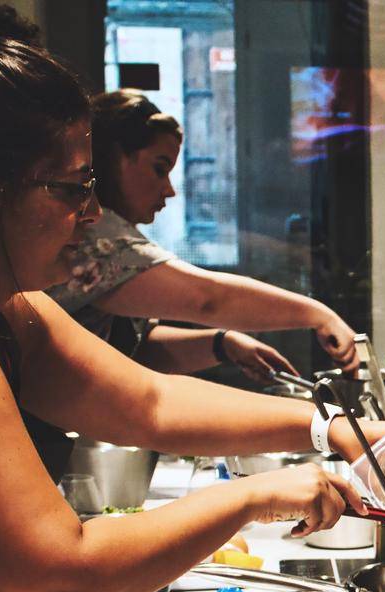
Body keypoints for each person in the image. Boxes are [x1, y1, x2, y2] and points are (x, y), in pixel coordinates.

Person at [0, 21, 385, 592]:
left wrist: (334, 428)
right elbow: (62, 574)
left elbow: (150, 402)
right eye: (71, 188)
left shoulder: (8, 314)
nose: (90, 214)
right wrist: (254, 494)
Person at [47, 89, 359, 382]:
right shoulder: (97, 235)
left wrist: (223, 344)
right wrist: (317, 314)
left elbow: (139, 349)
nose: (169, 190)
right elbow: (208, 299)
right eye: (159, 168)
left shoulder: (109, 239)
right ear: (115, 158)